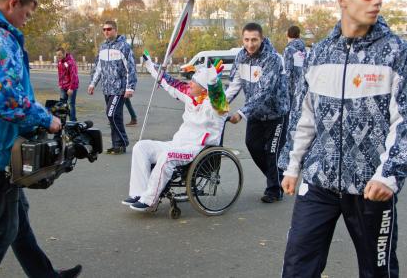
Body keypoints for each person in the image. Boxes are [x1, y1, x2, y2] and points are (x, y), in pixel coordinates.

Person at [278, 0, 407, 277]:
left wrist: (389, 174)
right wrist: (292, 165)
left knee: (377, 272)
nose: (377, 2)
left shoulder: (397, 52)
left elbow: (405, 122)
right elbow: (304, 116)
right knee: (297, 266)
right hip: (318, 183)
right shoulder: (320, 53)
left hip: (371, 188)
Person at [0, 0, 82, 277]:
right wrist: (45, 119)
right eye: (26, 14)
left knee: (18, 221)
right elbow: (6, 99)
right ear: (13, 3)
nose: (26, 20)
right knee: (2, 229)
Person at [121, 54, 229, 211]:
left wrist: (213, 82)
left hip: (197, 149)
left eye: (195, 82)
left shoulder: (216, 107)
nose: (190, 84)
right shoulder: (191, 96)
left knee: (168, 156)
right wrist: (150, 65)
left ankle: (150, 200)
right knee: (141, 147)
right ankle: (138, 193)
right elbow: (169, 83)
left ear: (205, 88)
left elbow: (219, 101)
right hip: (177, 143)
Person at [226, 22, 289, 203]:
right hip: (255, 114)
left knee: (272, 151)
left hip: (276, 114)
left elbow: (264, 92)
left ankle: (274, 190)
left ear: (261, 39)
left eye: (254, 40)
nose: (250, 44)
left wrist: (241, 113)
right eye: (246, 39)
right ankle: (277, 177)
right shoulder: (240, 57)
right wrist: (219, 104)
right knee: (253, 146)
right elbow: (234, 85)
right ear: (242, 39)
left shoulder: (273, 59)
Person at [87, 20, 137, 155]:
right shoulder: (103, 47)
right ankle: (117, 146)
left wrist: (130, 87)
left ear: (115, 30)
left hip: (119, 89)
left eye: (108, 29)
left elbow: (130, 68)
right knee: (116, 117)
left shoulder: (124, 47)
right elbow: (98, 68)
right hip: (106, 89)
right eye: (104, 30)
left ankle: (123, 141)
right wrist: (92, 84)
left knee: (111, 115)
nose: (106, 32)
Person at [283, 25, 306, 107]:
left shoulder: (289, 49)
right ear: (299, 35)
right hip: (302, 85)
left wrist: (285, 89)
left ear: (287, 35)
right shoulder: (303, 48)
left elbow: (287, 70)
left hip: (291, 88)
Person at [56, 47, 79, 121]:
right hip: (63, 86)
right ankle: (62, 122)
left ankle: (72, 122)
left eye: (59, 55)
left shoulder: (70, 62)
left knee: (71, 104)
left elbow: (74, 76)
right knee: (62, 105)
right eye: (57, 55)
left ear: (64, 53)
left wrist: (71, 88)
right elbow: (60, 73)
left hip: (71, 87)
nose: (58, 57)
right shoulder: (60, 62)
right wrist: (60, 84)